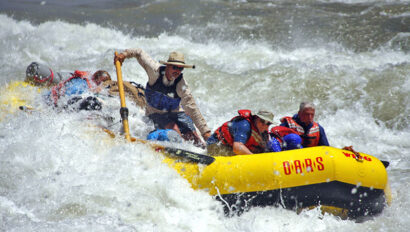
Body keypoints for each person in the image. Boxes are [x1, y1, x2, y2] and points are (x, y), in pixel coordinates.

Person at [114, 49, 211, 147]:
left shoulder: (182, 85)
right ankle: (183, 149)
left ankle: (204, 150)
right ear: (168, 66)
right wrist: (124, 54)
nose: (177, 71)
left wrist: (206, 133)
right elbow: (139, 53)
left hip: (176, 112)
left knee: (194, 137)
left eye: (180, 69)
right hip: (154, 113)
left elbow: (193, 110)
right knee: (174, 129)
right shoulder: (154, 71)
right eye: (174, 67)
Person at [207, 109, 274, 156]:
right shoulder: (244, 125)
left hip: (232, 148)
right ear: (256, 118)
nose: (264, 125)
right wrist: (254, 158)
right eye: (262, 121)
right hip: (217, 145)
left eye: (268, 123)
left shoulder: (264, 134)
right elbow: (237, 148)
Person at [45, 70, 112, 111]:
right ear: (95, 80)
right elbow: (66, 97)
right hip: (48, 102)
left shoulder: (87, 84)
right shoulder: (81, 84)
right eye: (100, 83)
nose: (101, 88)